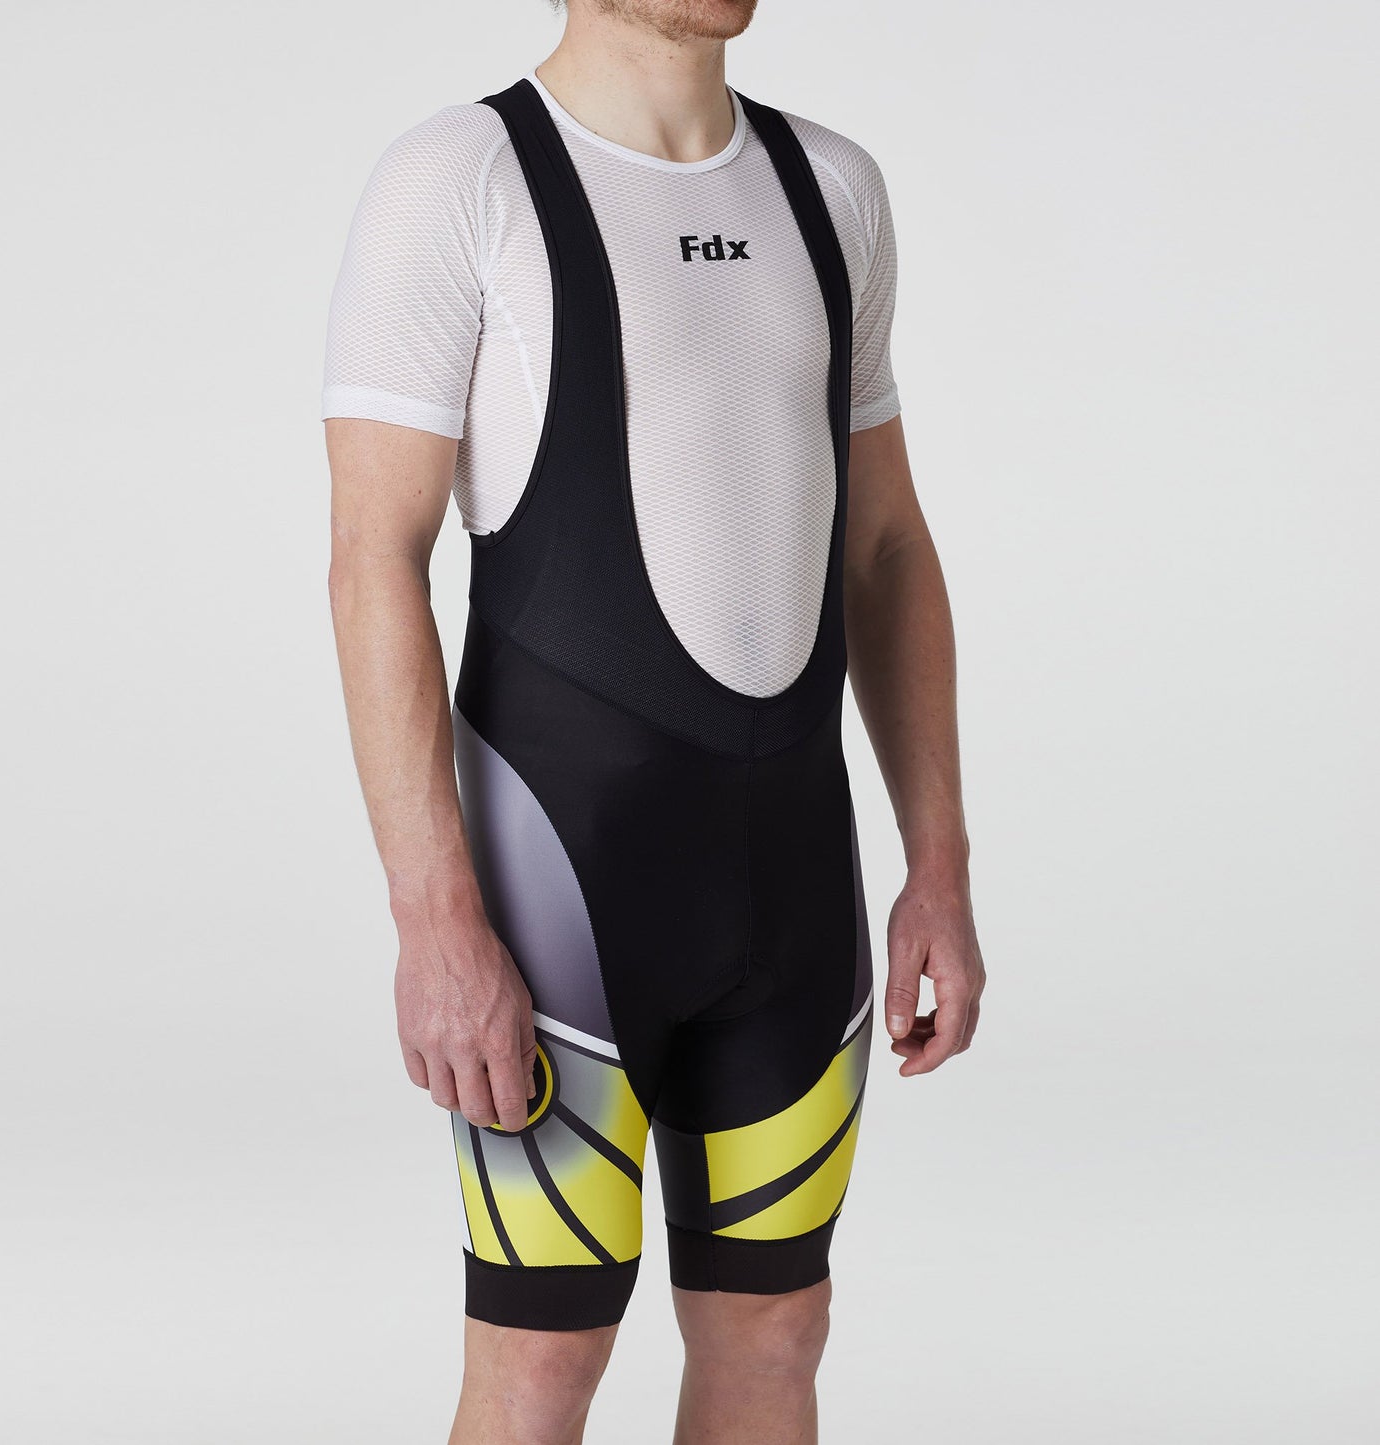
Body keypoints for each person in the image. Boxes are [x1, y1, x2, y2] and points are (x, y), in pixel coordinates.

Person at [321, 1, 986, 1440]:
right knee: (542, 1355)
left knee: (777, 1334)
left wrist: (936, 864)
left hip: (792, 879)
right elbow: (374, 556)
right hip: (558, 891)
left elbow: (884, 548)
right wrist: (434, 923)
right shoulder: (461, 178)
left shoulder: (831, 187)